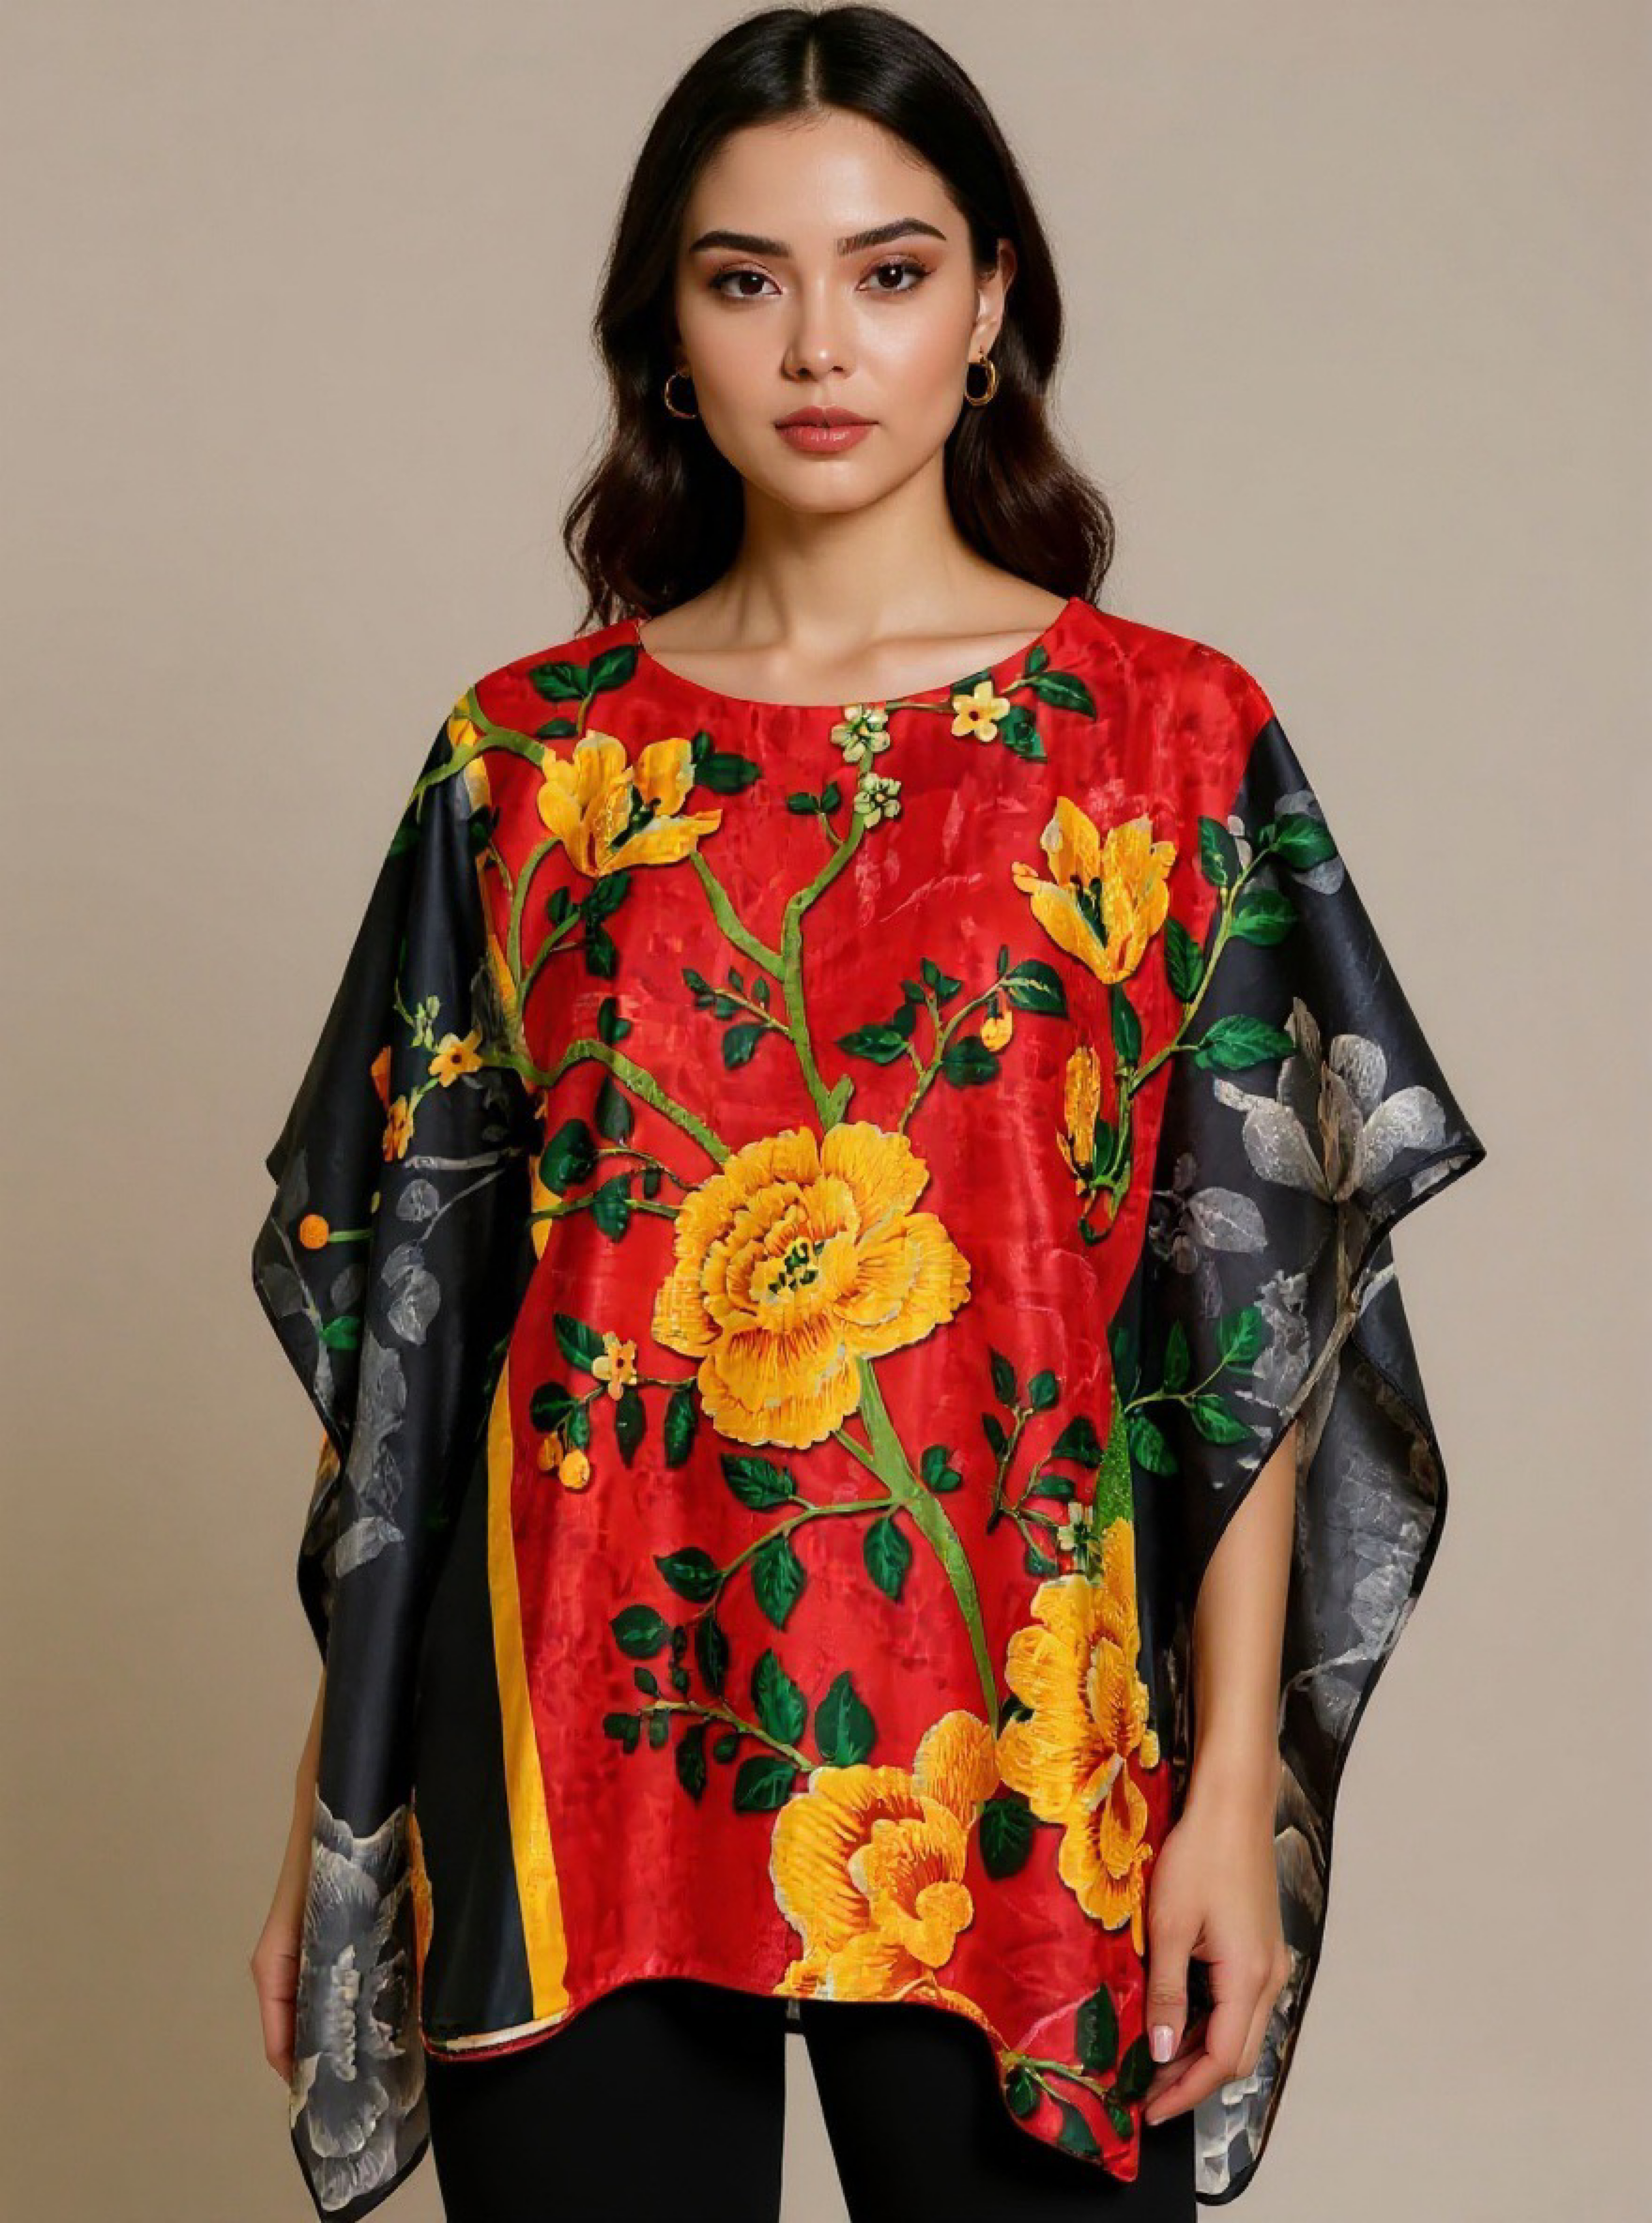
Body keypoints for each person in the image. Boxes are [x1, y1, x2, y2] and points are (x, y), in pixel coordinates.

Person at [248, 8, 1488, 2220]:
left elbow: (1245, 1312)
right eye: (746, 280)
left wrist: (1226, 1791)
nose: (820, 345)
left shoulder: (1164, 741)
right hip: (570, 1755)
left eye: (889, 272)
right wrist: (333, 1826)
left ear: (990, 303)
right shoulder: (528, 764)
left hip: (1020, 1744)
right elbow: (423, 1345)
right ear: (667, 331)